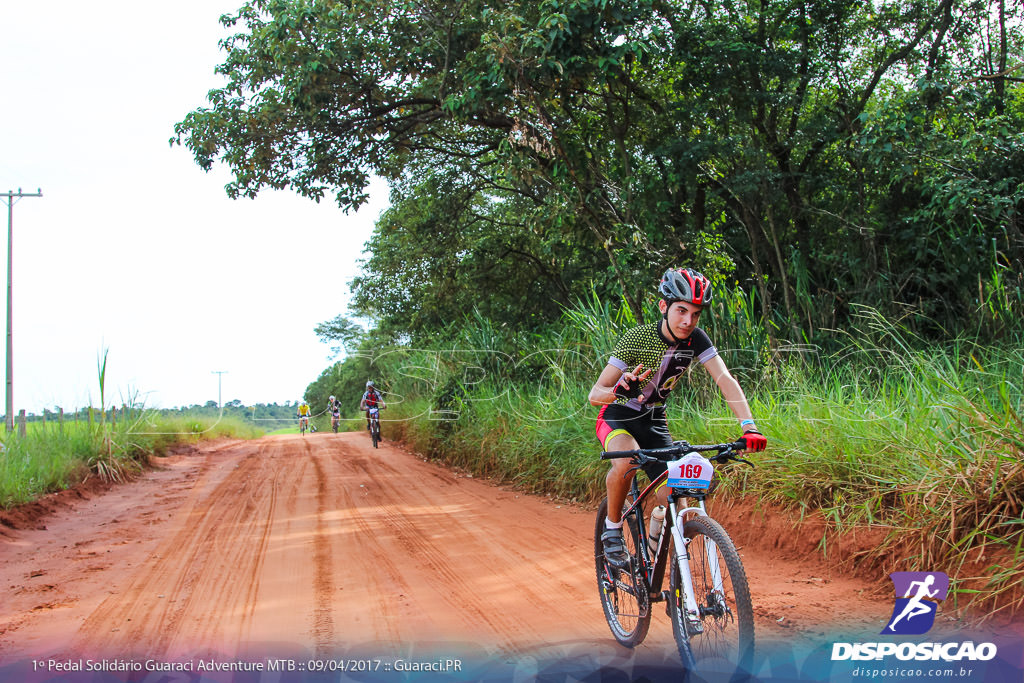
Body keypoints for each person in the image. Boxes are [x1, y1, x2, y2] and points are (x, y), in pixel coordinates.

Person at [588, 268, 768, 569]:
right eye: (682, 311)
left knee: (677, 502)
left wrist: (748, 426)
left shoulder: (696, 339)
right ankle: (612, 530)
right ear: (664, 307)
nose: (688, 321)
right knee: (627, 461)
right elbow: (596, 393)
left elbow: (724, 378)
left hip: (655, 422)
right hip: (618, 417)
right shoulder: (637, 338)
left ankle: (659, 551)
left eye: (696, 314)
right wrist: (619, 390)